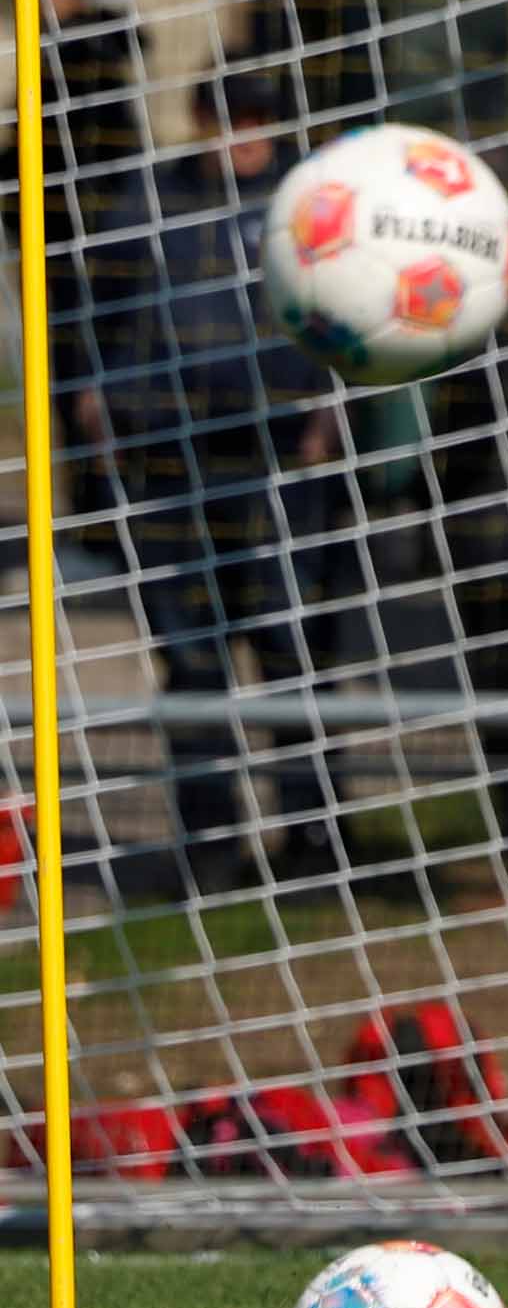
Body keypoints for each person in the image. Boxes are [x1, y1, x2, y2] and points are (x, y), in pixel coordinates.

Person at [72, 70, 356, 896]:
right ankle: (210, 844)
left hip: (276, 453)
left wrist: (326, 409)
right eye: (227, 117)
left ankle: (315, 838)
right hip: (169, 456)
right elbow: (101, 307)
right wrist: (99, 399)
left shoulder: (309, 204)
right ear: (199, 119)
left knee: (293, 645)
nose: (243, 133)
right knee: (193, 659)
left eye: (259, 118)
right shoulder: (150, 199)